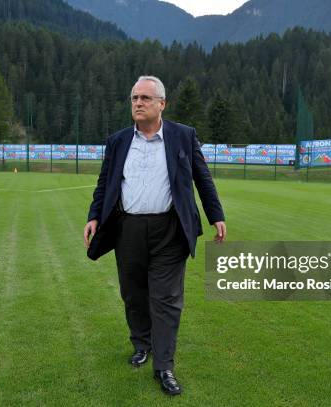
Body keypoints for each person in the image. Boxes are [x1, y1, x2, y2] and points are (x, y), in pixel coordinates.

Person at [83, 76, 226, 396]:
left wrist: (215, 215)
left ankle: (164, 366)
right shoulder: (118, 140)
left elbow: (203, 178)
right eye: (134, 98)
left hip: (170, 230)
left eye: (146, 98)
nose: (138, 103)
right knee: (133, 294)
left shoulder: (183, 136)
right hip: (127, 230)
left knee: (166, 299)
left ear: (162, 104)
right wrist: (94, 216)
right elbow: (104, 183)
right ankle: (142, 344)